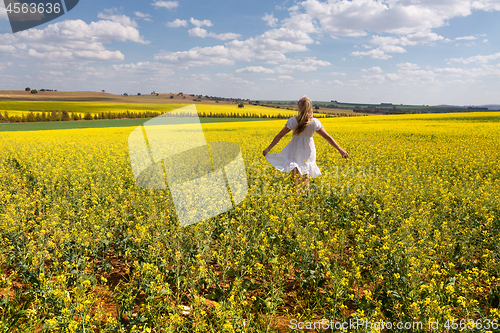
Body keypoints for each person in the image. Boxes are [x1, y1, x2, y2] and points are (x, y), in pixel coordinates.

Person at [262, 95, 349, 194]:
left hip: (295, 150)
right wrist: (340, 150)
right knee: (305, 177)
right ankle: (304, 198)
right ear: (310, 107)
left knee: (296, 178)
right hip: (308, 151)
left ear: (299, 107)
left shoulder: (293, 121)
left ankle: (297, 200)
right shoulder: (314, 122)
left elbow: (279, 135)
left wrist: (268, 149)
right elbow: (327, 137)